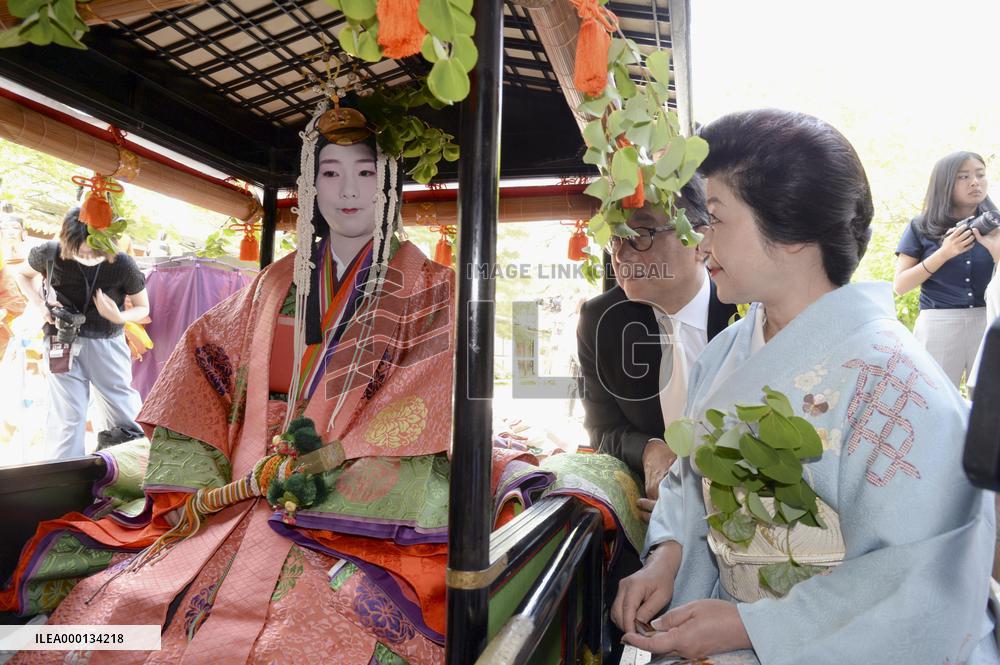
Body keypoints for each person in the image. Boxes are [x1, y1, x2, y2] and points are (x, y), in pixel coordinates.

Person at [1, 102, 456, 664]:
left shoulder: (434, 288)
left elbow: (423, 398)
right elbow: (204, 356)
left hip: (353, 484)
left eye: (365, 173)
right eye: (330, 173)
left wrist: (321, 462)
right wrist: (228, 468)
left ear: (389, 186)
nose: (348, 190)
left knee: (307, 627)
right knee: (124, 597)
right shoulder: (274, 282)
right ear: (312, 186)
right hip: (245, 474)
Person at [612, 110, 998, 664]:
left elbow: (920, 576)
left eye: (715, 218)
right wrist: (669, 554)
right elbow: (686, 477)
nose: (699, 243)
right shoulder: (726, 352)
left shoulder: (895, 380)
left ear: (791, 231)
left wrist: (751, 626)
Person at [576, 178, 736, 520]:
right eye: (616, 237)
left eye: (641, 234)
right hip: (656, 519)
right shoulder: (601, 322)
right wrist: (649, 449)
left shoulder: (749, 310)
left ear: (701, 241)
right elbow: (602, 428)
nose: (621, 252)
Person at [13, 208, 148, 459]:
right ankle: (63, 483)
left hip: (107, 341)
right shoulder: (50, 252)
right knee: (67, 415)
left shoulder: (122, 264)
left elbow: (143, 308)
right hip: (60, 338)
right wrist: (39, 303)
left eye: (93, 250)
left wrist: (118, 316)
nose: (86, 255)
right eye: (80, 250)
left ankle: (127, 470)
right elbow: (21, 273)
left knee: (122, 409)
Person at [894, 151, 1000, 388]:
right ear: (945, 183)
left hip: (989, 320)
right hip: (938, 322)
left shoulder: (997, 225)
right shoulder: (921, 226)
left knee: (991, 404)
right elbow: (901, 285)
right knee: (932, 399)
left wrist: (997, 252)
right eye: (964, 177)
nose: (975, 182)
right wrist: (944, 253)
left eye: (980, 175)